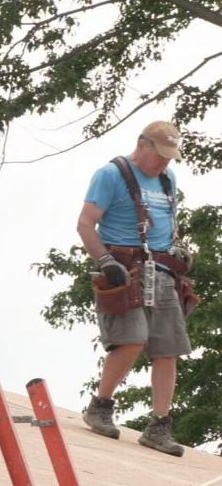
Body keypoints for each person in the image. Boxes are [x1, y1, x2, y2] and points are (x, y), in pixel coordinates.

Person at [79, 120, 194, 457]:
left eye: (170, 157)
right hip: (125, 269)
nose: (164, 163)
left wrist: (176, 250)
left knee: (168, 347)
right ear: (142, 144)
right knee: (132, 340)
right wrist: (104, 261)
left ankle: (159, 426)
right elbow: (85, 223)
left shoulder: (167, 178)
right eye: (160, 155)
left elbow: (164, 223)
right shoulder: (111, 174)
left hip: (161, 270)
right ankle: (100, 406)